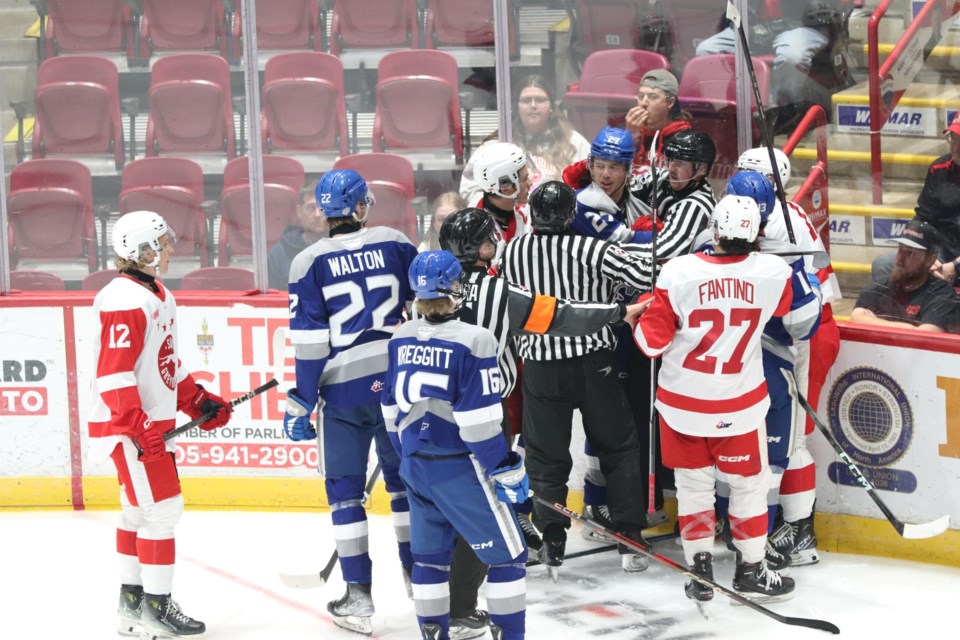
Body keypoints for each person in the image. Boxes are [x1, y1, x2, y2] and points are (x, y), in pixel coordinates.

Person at [438, 203, 644, 636]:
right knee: (488, 507)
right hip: (484, 416)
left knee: (438, 507)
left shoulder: (427, 295)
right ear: (480, 246)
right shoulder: (499, 294)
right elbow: (562, 316)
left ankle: (435, 590)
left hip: (430, 420)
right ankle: (471, 604)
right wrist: (615, 314)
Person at [633, 195, 797, 604]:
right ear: (757, 232)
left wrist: (642, 316)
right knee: (748, 490)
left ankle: (700, 568)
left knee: (693, 490)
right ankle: (751, 569)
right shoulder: (774, 272)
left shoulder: (678, 272)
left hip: (682, 406)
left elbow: (651, 345)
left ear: (716, 230)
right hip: (739, 407)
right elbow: (783, 307)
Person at [283, 169, 419, 635]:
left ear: (324, 211)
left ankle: (358, 594)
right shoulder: (397, 242)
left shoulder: (307, 261)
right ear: (362, 207)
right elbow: (426, 310)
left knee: (344, 491)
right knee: (405, 484)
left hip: (343, 392)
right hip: (399, 382)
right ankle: (419, 576)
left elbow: (310, 343)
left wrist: (301, 402)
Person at [89, 210, 233, 639]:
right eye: (161, 243)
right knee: (162, 511)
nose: (169, 248)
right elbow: (113, 375)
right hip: (129, 427)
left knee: (137, 511)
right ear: (140, 250)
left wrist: (197, 401)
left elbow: (164, 363)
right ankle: (156, 607)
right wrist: (138, 426)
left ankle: (132, 606)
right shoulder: (123, 300)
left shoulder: (155, 293)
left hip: (141, 423)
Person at [501, 181, 655, 578]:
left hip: (539, 369)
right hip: (594, 365)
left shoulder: (513, 250)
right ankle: (629, 536)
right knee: (618, 448)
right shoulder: (592, 248)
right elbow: (646, 273)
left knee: (544, 457)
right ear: (571, 214)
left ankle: (551, 538)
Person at [382, 250, 528, 640]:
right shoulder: (475, 340)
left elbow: (390, 411)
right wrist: (505, 467)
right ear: (454, 289)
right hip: (461, 469)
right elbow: (478, 424)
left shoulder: (400, 337)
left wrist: (411, 457)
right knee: (509, 557)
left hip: (415, 466)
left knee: (429, 562)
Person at [734, 148, 842, 566]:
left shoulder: (780, 223)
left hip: (808, 332)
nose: (740, 185)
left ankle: (799, 533)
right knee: (774, 434)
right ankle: (774, 523)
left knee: (792, 437)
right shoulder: (770, 211)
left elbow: (798, 306)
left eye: (749, 176)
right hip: (791, 332)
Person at [719, 171, 823, 572]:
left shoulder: (701, 254)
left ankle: (757, 532)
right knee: (780, 451)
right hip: (768, 364)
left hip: (724, 371)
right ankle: (779, 532)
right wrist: (802, 280)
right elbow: (803, 323)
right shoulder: (783, 259)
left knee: (733, 454)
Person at [695, 0, 851, 114]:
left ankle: (784, 109)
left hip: (804, 24)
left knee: (792, 56)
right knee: (706, 50)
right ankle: (727, 110)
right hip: (757, 27)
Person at [460, 74, 590, 204]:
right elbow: (470, 189)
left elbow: (592, 188)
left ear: (551, 107)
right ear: (517, 106)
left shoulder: (574, 142)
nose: (533, 105)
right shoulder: (497, 144)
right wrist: (499, 211)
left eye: (540, 100)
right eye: (526, 100)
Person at [563, 69, 692, 189]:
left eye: (653, 97)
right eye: (641, 96)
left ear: (670, 102)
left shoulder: (684, 140)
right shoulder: (623, 132)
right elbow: (596, 174)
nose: (643, 103)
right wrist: (629, 136)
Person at [875, 113, 960, 284]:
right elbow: (923, 218)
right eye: (954, 139)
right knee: (883, 265)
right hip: (941, 252)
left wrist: (956, 266)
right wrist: (925, 253)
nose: (956, 147)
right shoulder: (938, 169)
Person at [852, 219, 960, 333]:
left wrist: (873, 321)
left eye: (910, 253)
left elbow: (926, 335)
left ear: (930, 259)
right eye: (900, 250)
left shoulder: (942, 294)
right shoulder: (880, 284)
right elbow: (855, 318)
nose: (900, 259)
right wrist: (911, 328)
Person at [465, 141, 535, 243]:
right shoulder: (470, 227)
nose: (531, 182)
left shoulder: (529, 214)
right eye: (525, 179)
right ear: (505, 187)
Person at [267, 181, 329, 290]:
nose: (317, 214)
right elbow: (274, 302)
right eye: (311, 208)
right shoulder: (279, 254)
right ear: (299, 212)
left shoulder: (346, 249)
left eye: (323, 208)